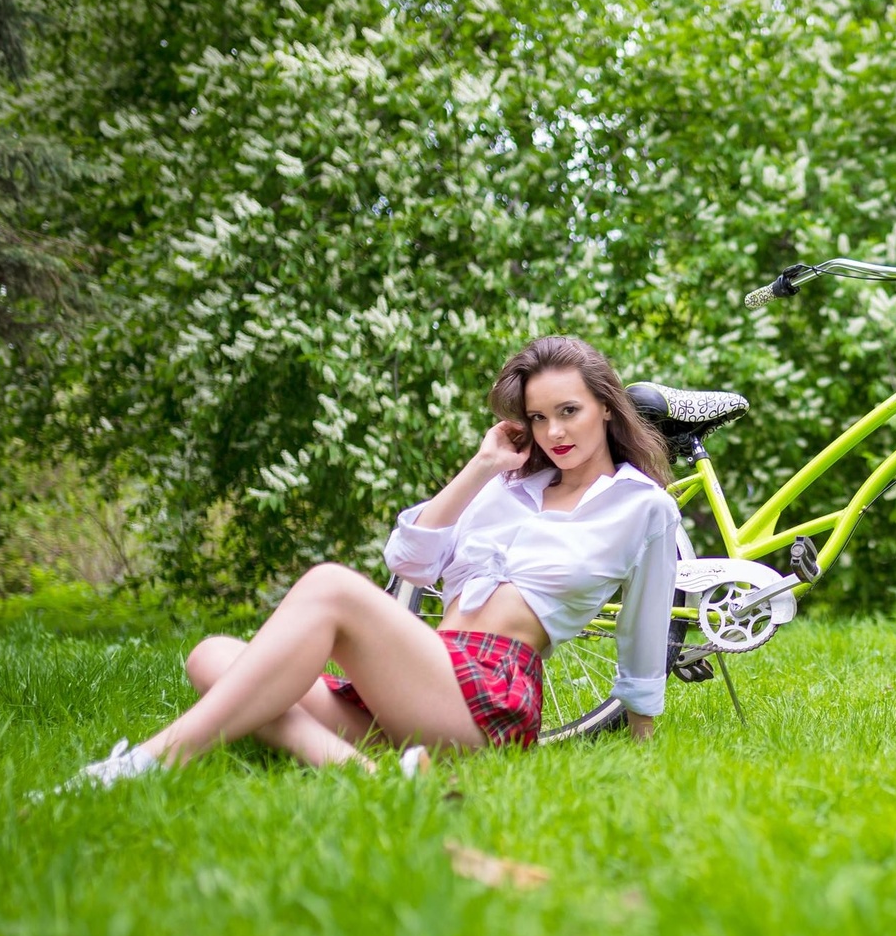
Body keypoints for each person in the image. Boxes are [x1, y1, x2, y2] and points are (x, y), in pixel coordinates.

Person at [61, 335, 681, 788]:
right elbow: (409, 562)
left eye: (568, 411)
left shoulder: (642, 506)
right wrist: (484, 465)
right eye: (538, 418)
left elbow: (645, 630)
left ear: (605, 405)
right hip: (420, 683)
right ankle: (377, 780)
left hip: (490, 694)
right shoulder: (508, 485)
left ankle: (145, 763)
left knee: (331, 586)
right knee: (212, 656)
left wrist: (641, 740)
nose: (553, 433)